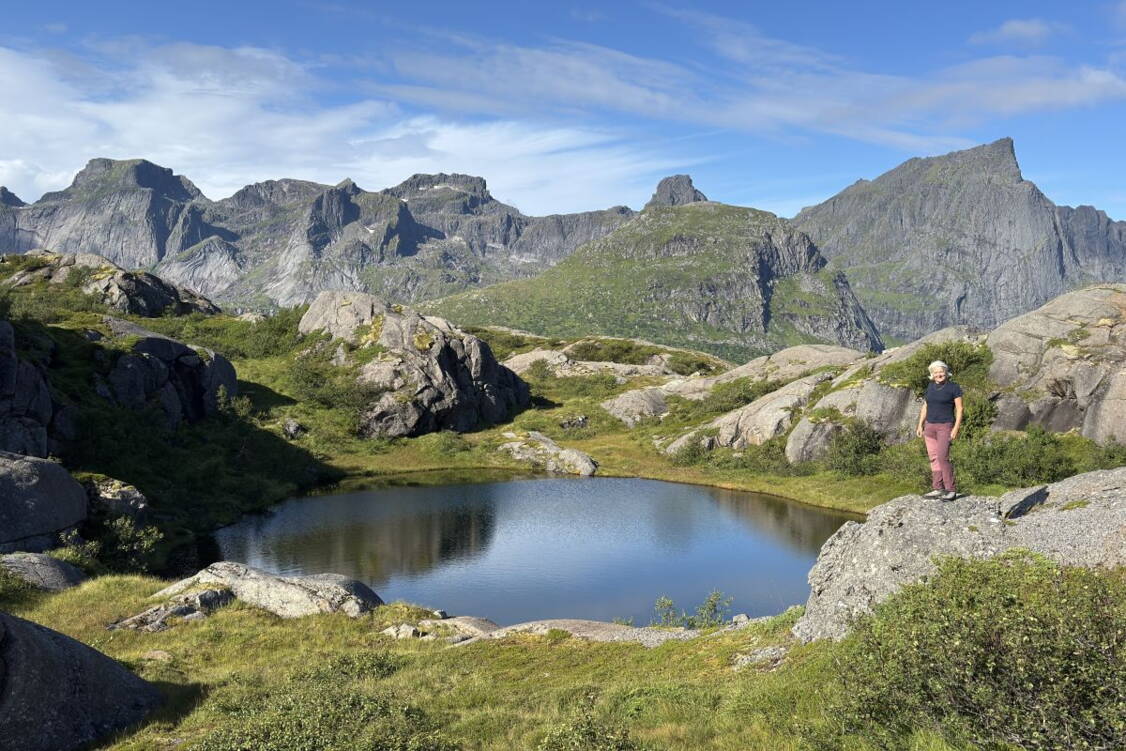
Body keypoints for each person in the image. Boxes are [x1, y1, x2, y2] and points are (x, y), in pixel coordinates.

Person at [915, 360, 963, 500]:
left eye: (941, 372)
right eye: (935, 372)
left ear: (946, 372)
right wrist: (920, 425)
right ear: (932, 374)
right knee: (934, 458)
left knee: (943, 457)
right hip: (929, 426)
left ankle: (951, 489)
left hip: (945, 426)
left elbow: (960, 409)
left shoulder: (954, 387)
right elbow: (926, 406)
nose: (938, 374)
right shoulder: (930, 387)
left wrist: (956, 428)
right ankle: (938, 488)